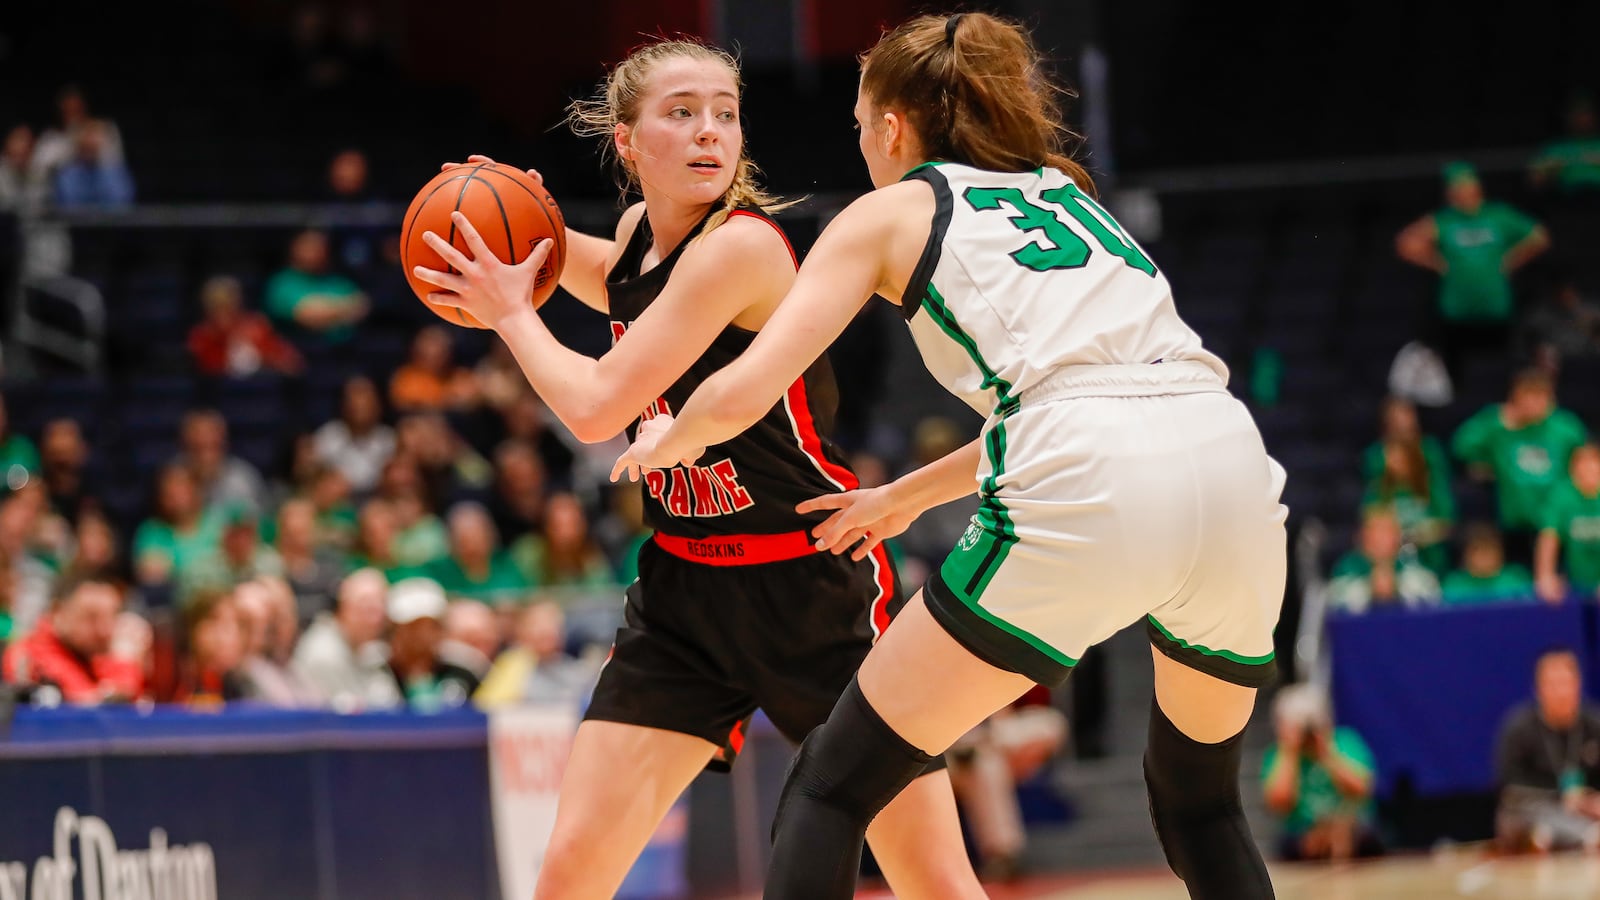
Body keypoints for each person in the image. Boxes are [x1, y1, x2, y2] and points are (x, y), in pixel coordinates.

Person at [603, 14, 1286, 899]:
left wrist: (671, 435)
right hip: (1227, 456)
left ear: (891, 127)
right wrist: (906, 497)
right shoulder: (1062, 190)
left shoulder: (886, 211)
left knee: (829, 786)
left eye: (859, 128)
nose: (861, 147)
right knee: (1200, 804)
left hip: (1088, 474)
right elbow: (1088, 394)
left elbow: (749, 388)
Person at [409, 36, 982, 900]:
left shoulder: (741, 249)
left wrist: (509, 313)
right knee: (569, 873)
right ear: (628, 140)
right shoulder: (644, 235)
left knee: (933, 881)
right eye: (682, 114)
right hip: (683, 595)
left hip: (810, 587)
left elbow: (598, 406)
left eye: (726, 113)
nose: (711, 132)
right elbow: (613, 277)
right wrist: (520, 229)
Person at [1396, 162, 1549, 380]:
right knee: (1455, 367)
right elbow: (1405, 243)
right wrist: (1436, 261)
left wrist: (1511, 259)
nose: (1462, 195)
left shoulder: (1498, 215)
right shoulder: (1444, 220)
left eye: (1466, 189)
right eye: (1456, 191)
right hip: (1456, 311)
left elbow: (1540, 237)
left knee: (1507, 363)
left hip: (1497, 307)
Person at [1495, 647, 1600, 853]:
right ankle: (1582, 836)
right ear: (1538, 688)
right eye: (1552, 684)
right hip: (1537, 808)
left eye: (1566, 683)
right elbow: (1511, 787)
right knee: (1520, 817)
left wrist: (1591, 801)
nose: (1561, 692)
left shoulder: (1594, 725)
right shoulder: (1519, 729)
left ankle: (1566, 837)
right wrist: (1563, 797)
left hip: (1588, 811)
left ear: (1577, 685)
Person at [1260, 684, 1380, 862]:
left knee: (1361, 834)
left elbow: (1363, 790)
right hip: (1303, 833)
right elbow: (1279, 803)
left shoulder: (1345, 741)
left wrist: (1327, 753)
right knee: (1293, 844)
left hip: (1352, 827)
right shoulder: (1279, 755)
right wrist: (1290, 751)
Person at [1536, 443, 1600, 603]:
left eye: (1594, 465)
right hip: (1575, 580)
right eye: (1583, 465)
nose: (1589, 471)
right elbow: (1549, 536)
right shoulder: (1561, 495)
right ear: (1573, 469)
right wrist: (1545, 576)